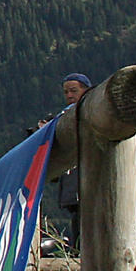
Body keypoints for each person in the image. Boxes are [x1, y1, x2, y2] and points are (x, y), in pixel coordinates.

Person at [56, 73, 90, 250]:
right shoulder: (66, 117)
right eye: (66, 92)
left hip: (86, 191)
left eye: (74, 91)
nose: (69, 95)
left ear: (86, 91)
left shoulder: (88, 116)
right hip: (75, 195)